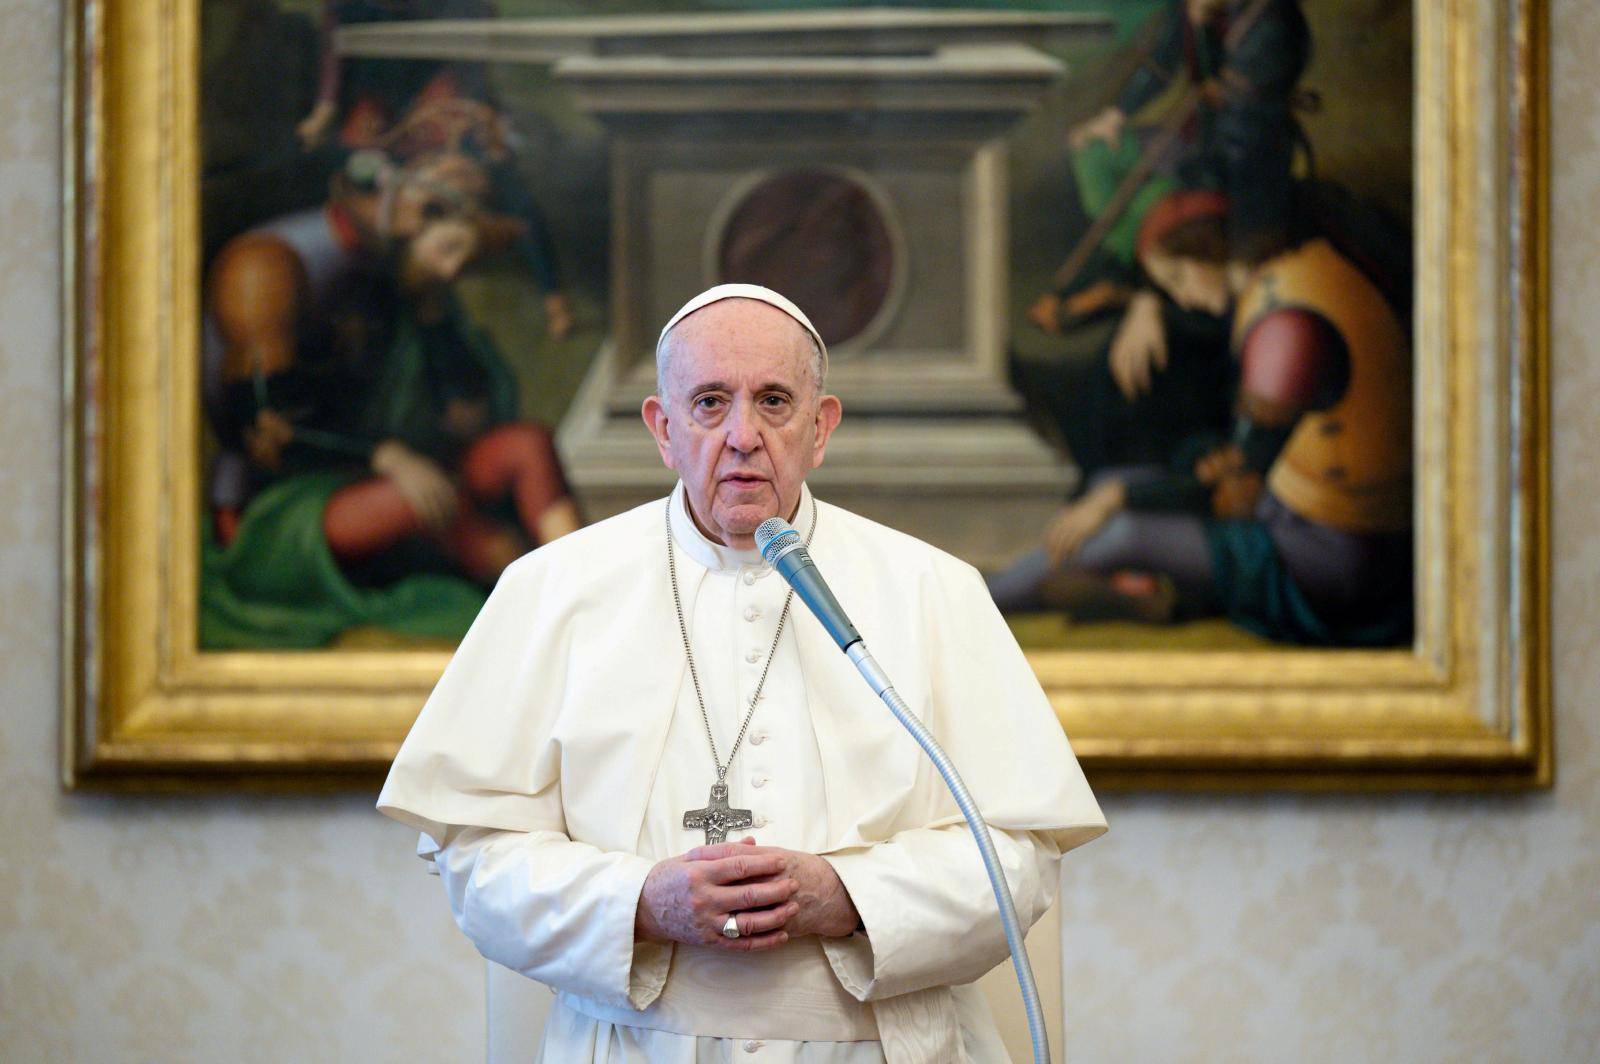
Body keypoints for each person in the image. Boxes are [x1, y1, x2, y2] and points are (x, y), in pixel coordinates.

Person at [377, 284, 1107, 1060]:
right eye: (710, 403)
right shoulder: (551, 590)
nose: (742, 436)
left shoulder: (932, 589)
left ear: (820, 428)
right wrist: (641, 903)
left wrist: (850, 897)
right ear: (662, 429)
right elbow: (478, 862)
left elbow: (1021, 858)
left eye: (774, 402)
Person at [989, 193, 1412, 647]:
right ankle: (1135, 589)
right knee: (1111, 485)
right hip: (1292, 512)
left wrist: (1115, 499)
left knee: (1124, 527)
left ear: (1210, 250)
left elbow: (1237, 477)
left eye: (1177, 277)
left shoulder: (1284, 328)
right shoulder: (1292, 274)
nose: (1180, 297)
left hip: (1333, 560)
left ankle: (982, 599)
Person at [199, 151, 582, 649]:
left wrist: (432, 312)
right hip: (283, 508)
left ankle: (583, 582)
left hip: (394, 474)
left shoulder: (405, 281)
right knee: (427, 499)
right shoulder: (277, 270)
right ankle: (549, 612)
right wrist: (386, 455)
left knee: (525, 444)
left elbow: (467, 416)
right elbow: (267, 432)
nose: (450, 266)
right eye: (440, 240)